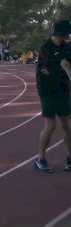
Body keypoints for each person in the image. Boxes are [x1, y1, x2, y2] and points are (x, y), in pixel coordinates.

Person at [35, 20, 71, 173]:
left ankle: (70, 157)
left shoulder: (67, 47)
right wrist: (64, 68)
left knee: (66, 125)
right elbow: (50, 70)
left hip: (63, 89)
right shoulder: (45, 49)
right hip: (48, 91)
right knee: (50, 125)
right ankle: (40, 159)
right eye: (67, 33)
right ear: (61, 33)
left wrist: (66, 69)